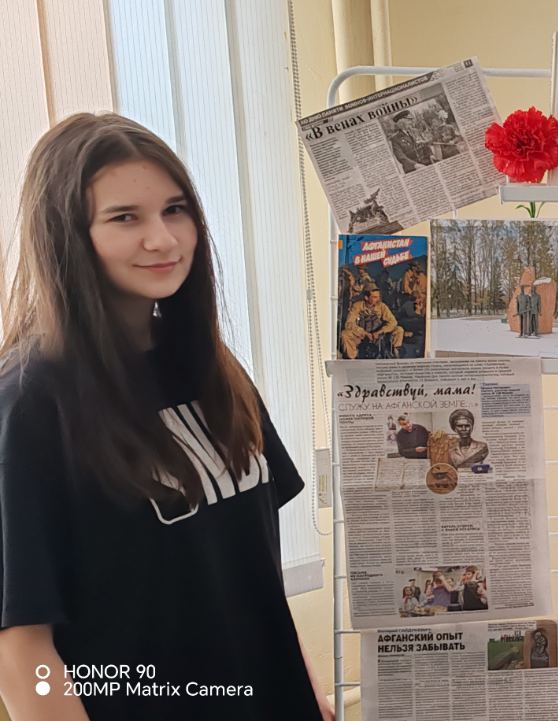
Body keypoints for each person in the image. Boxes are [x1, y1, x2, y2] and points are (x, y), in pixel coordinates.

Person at [0, 113, 331, 720]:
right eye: (125, 218)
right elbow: (21, 649)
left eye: (175, 210)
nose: (163, 239)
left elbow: (246, 565)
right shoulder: (31, 402)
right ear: (67, 235)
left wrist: (304, 683)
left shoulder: (211, 366)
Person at [340, 285, 403, 358]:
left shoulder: (382, 306)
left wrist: (379, 332)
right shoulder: (357, 306)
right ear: (366, 298)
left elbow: (393, 322)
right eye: (374, 297)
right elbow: (349, 324)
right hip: (362, 336)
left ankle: (394, 353)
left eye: (378, 297)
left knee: (399, 330)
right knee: (345, 334)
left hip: (379, 337)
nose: (378, 299)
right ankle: (352, 357)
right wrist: (364, 333)